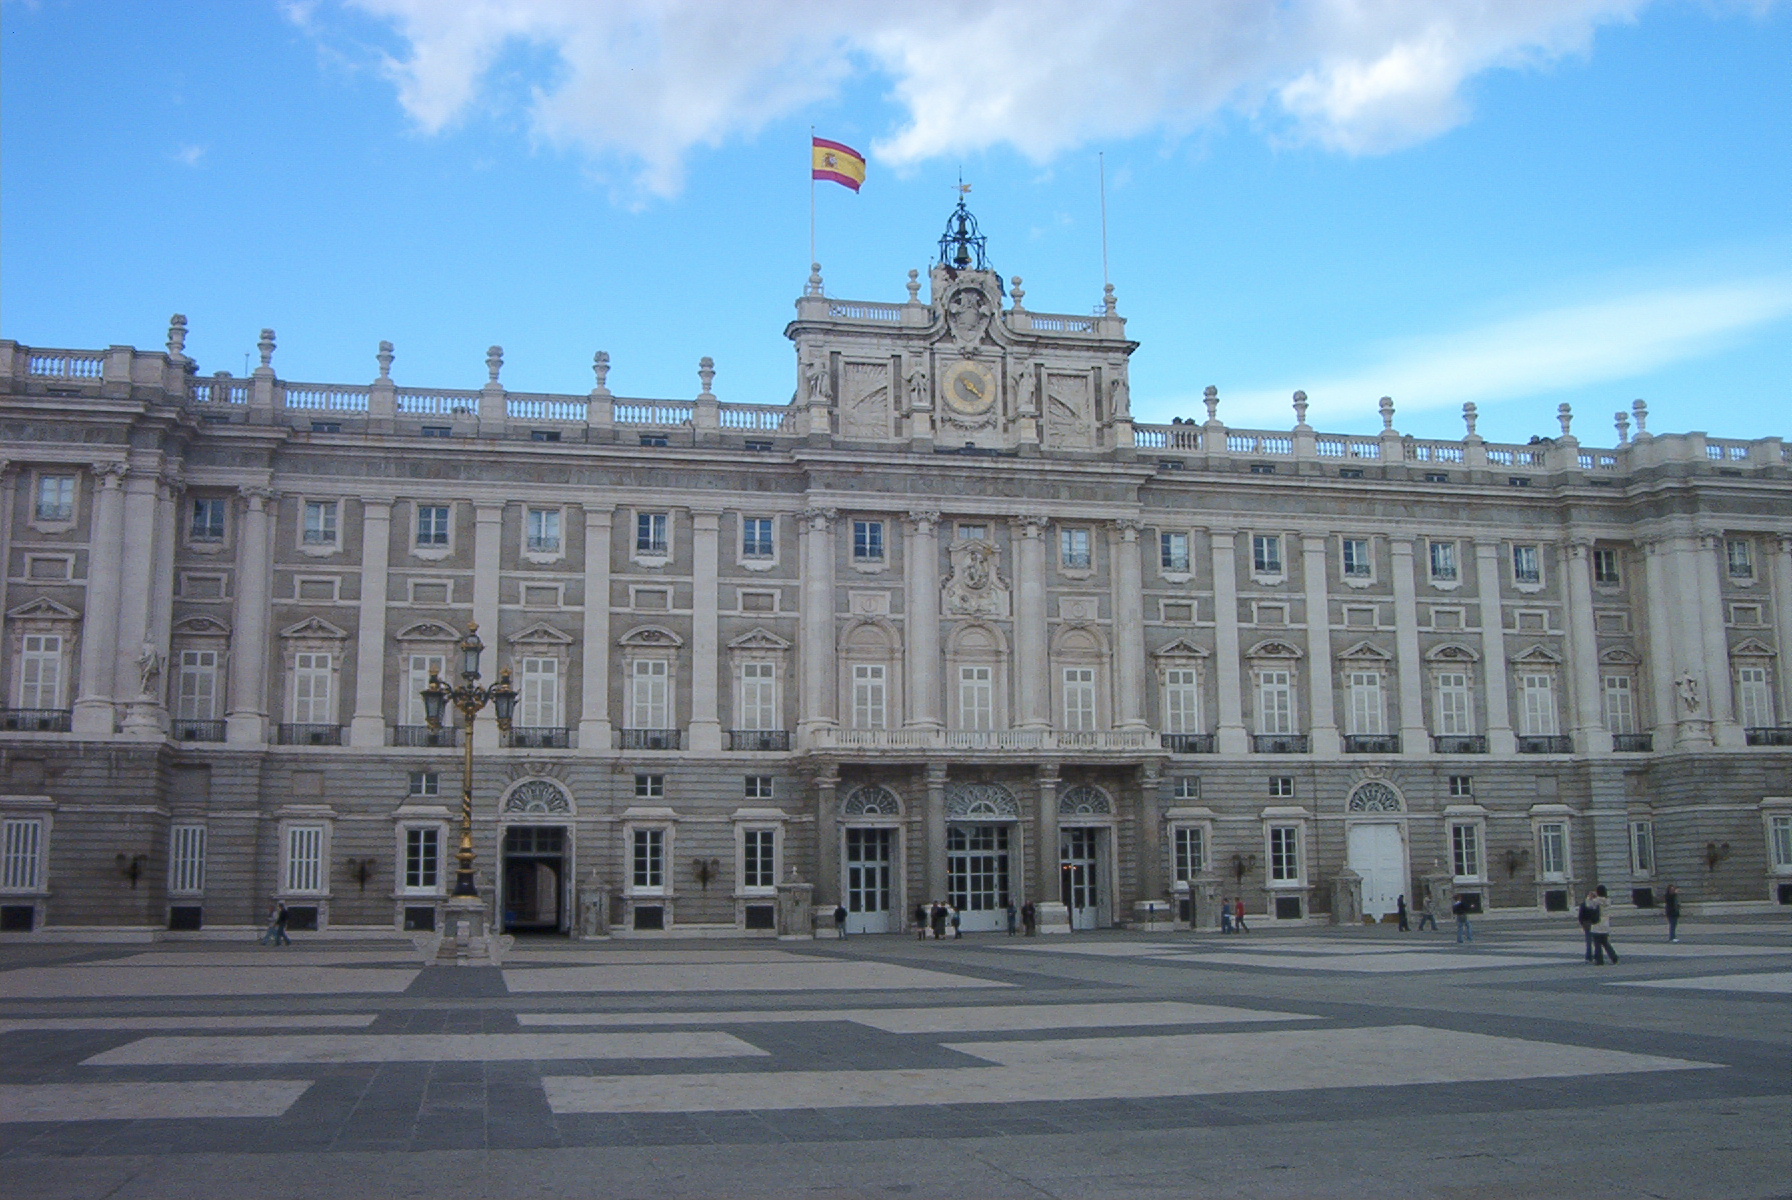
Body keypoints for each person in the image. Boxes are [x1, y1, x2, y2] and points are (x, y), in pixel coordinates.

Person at [1589, 885, 1619, 965]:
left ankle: (1599, 960)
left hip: (1597, 924)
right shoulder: (1608, 901)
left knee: (1597, 944)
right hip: (1605, 924)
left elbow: (1589, 906)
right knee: (1606, 943)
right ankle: (1614, 957)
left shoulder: (1596, 901)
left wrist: (1590, 897)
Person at [1577, 890, 1599, 962]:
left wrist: (1582, 923)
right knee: (1596, 941)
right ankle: (1596, 956)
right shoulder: (1596, 905)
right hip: (1594, 923)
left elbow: (1580, 916)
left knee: (1589, 941)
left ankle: (1589, 956)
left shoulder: (1584, 904)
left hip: (1586, 923)